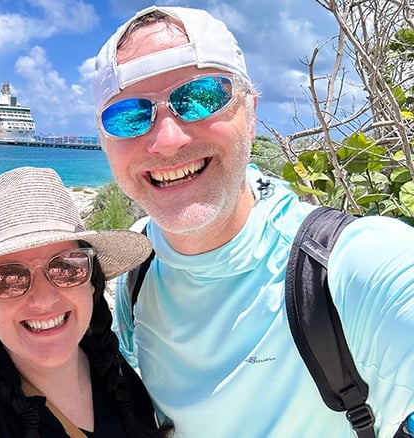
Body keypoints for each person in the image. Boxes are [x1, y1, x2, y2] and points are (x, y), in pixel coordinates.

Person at [92, 5, 414, 438]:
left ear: (251, 112)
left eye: (201, 96)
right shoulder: (139, 267)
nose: (167, 141)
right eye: (128, 116)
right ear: (105, 143)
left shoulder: (350, 267)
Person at [0, 166, 173, 437]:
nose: (44, 300)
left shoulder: (111, 368)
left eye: (67, 268)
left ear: (92, 279)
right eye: (9, 277)